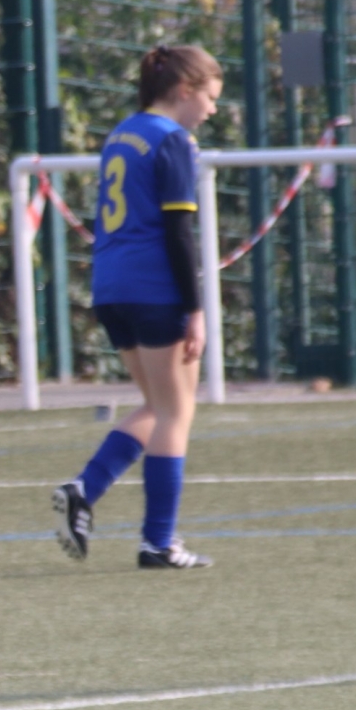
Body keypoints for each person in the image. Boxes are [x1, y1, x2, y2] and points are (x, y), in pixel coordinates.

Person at [53, 44, 222, 570]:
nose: (213, 110)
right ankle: (158, 542)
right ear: (185, 90)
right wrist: (196, 310)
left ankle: (85, 489)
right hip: (155, 288)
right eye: (210, 98)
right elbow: (178, 231)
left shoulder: (122, 135)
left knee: (156, 405)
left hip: (111, 286)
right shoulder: (174, 140)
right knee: (175, 412)